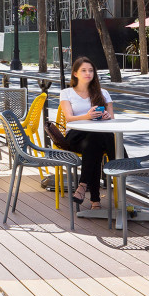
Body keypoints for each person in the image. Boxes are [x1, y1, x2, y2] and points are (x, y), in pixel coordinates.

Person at [59, 57, 116, 210]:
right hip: (76, 135)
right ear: (75, 74)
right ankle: (119, 164)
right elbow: (69, 119)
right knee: (98, 140)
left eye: (90, 70)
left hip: (95, 136)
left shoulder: (103, 93)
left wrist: (106, 117)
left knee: (94, 142)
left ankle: (84, 187)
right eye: (83, 70)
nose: (88, 73)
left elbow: (112, 119)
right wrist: (87, 116)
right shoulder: (66, 93)